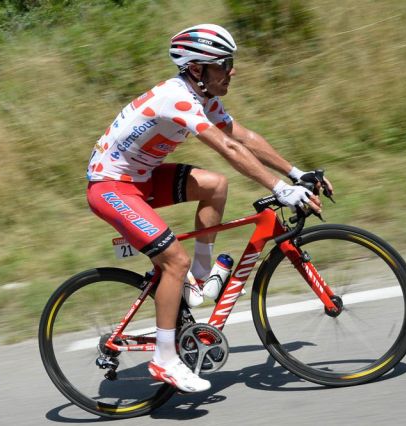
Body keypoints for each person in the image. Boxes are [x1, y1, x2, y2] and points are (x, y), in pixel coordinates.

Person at [86, 23, 333, 393]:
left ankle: (199, 280)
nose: (232, 71)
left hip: (142, 178)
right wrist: (280, 189)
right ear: (197, 69)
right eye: (224, 64)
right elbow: (228, 148)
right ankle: (164, 361)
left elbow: (244, 137)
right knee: (174, 260)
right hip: (111, 188)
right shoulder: (177, 98)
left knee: (215, 185)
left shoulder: (201, 96)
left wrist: (296, 173)